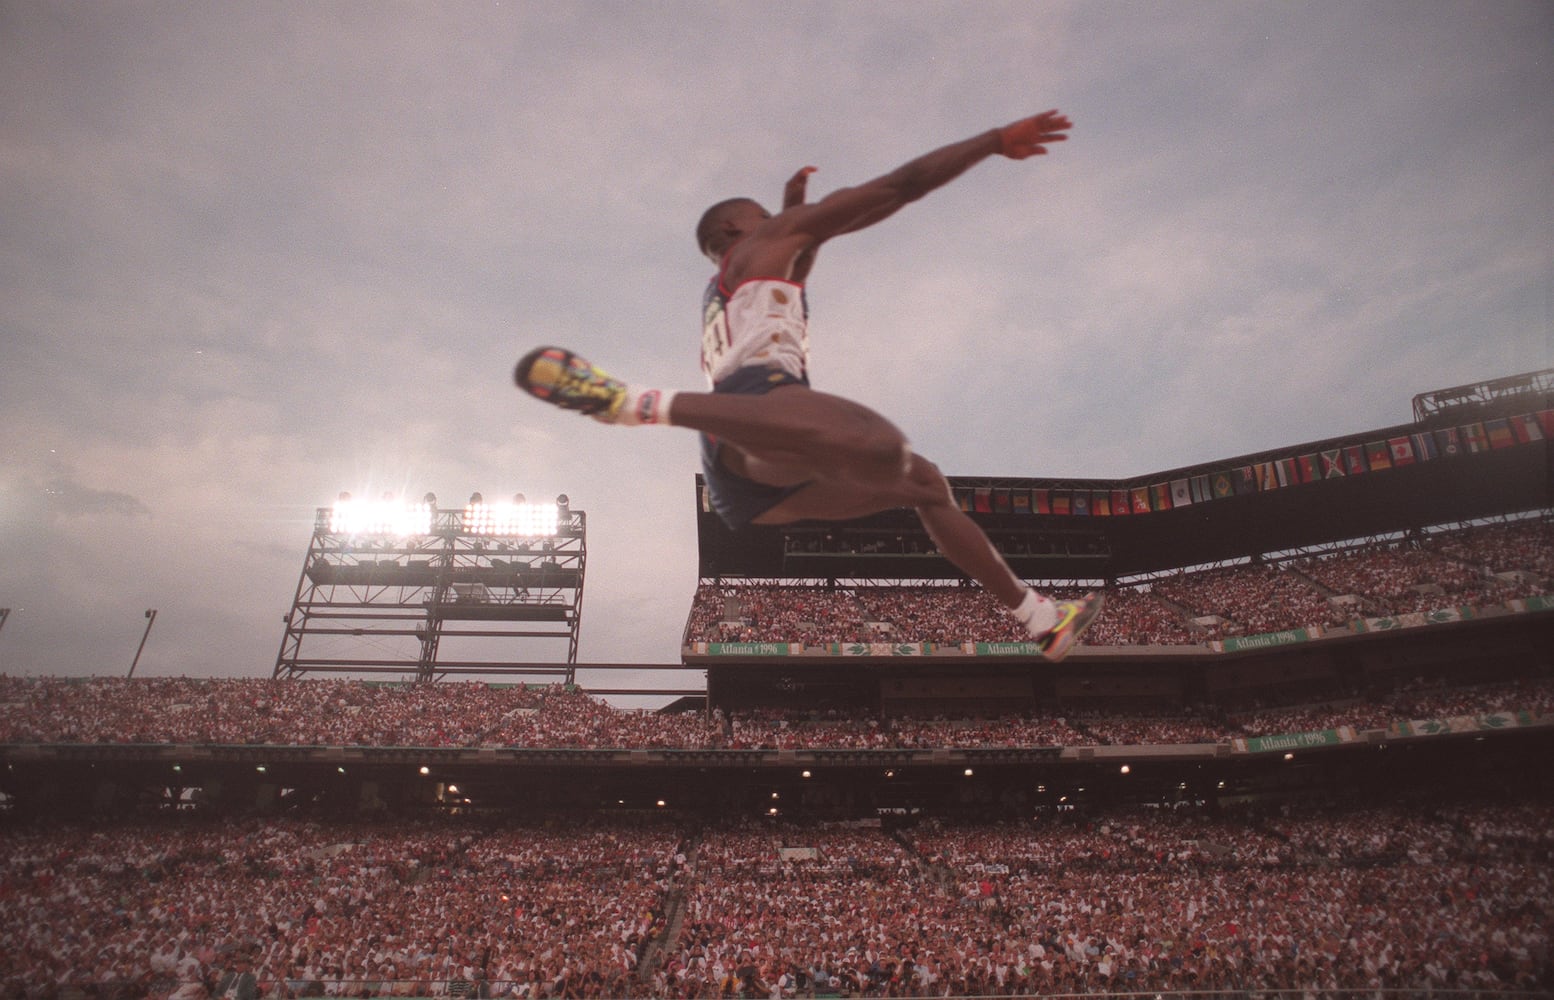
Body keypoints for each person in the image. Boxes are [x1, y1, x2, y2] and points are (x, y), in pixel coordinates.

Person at [515, 110, 1102, 660]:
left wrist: (796, 216)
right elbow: (901, 186)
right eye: (766, 216)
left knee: (925, 483)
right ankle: (635, 403)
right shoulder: (763, 244)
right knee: (879, 446)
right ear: (732, 227)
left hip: (748, 472)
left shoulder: (738, 273)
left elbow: (797, 253)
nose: (780, 222)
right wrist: (993, 140)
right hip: (757, 407)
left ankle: (1039, 618)